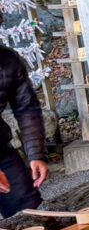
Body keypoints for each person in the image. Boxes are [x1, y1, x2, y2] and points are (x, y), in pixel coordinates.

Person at [0, 45, 48, 218]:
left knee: (29, 215)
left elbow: (26, 109)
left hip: (2, 152)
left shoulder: (8, 59)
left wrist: (36, 154)